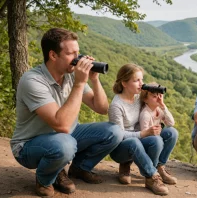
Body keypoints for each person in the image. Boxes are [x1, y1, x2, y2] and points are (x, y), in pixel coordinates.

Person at [10, 28, 123, 197]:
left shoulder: (70, 75)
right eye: (71, 54)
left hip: (67, 135)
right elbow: (61, 125)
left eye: (78, 52)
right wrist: (79, 84)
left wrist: (93, 79)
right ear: (53, 55)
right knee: (65, 144)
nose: (78, 58)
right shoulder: (32, 80)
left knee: (114, 131)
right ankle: (45, 179)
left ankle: (79, 168)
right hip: (30, 145)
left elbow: (101, 108)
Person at [108, 64, 178, 196]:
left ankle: (158, 167)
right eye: (136, 80)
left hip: (140, 139)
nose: (141, 84)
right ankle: (150, 176)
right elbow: (118, 135)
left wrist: (160, 104)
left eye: (142, 79)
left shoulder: (138, 97)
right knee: (138, 142)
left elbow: (154, 110)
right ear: (124, 83)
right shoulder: (116, 106)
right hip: (121, 148)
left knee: (171, 133)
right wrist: (145, 133)